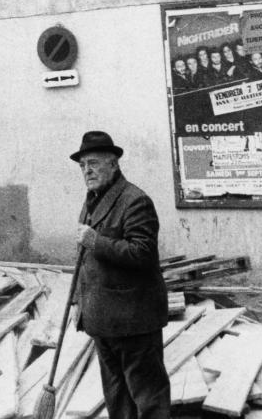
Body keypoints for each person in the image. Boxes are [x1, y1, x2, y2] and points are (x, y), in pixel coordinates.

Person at [71, 130, 171, 419]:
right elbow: (87, 261)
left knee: (149, 398)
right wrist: (80, 304)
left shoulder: (135, 200)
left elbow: (142, 254)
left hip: (134, 320)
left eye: (93, 163)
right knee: (117, 400)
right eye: (82, 166)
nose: (87, 171)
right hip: (103, 320)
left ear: (113, 164)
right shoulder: (92, 200)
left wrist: (96, 241)